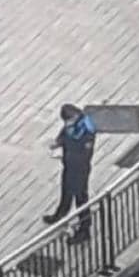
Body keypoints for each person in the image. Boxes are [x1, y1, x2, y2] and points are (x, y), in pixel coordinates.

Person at [43, 104, 97, 244]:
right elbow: (64, 135)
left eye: (68, 120)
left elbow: (85, 152)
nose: (67, 123)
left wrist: (70, 153)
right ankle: (61, 214)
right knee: (66, 191)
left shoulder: (87, 129)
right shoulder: (70, 126)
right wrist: (58, 143)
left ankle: (84, 230)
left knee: (81, 198)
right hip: (69, 164)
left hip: (80, 168)